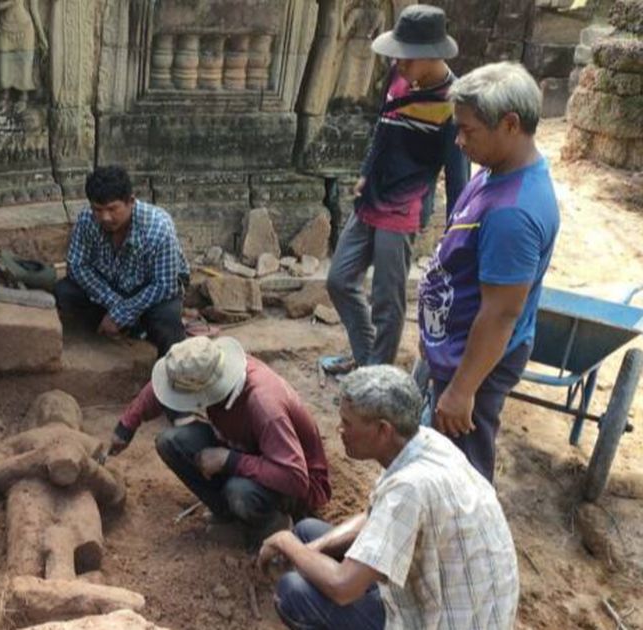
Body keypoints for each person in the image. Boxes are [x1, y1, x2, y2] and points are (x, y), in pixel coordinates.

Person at [260, 366, 519, 630]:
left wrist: (286, 542)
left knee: (293, 592)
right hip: (455, 598)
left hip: (445, 620)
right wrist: (308, 551)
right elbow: (375, 516)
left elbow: (342, 587)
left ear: (383, 429)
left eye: (348, 423)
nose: (339, 429)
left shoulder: (409, 488)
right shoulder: (424, 443)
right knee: (307, 533)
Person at [418, 61, 559, 481]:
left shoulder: (513, 214)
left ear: (510, 124)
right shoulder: (496, 172)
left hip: (473, 363)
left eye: (468, 130)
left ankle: (460, 544)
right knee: (434, 456)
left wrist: (462, 391)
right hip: (453, 349)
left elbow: (500, 314)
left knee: (459, 474)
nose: (458, 141)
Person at [322, 4, 470, 375]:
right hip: (370, 199)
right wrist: (365, 172)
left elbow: (457, 176)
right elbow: (382, 128)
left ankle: (377, 379)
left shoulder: (453, 106)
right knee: (339, 280)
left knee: (387, 302)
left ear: (432, 55)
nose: (399, 64)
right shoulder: (397, 78)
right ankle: (367, 356)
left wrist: (456, 234)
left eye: (407, 58)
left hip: (403, 210)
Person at [108, 336, 331, 548]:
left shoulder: (264, 404)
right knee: (171, 442)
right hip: (244, 449)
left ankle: (271, 528)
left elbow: (295, 478)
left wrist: (230, 461)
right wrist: (126, 426)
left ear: (207, 391)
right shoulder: (212, 364)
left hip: (294, 485)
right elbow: (169, 382)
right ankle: (230, 516)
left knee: (240, 491)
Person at [56, 165, 190, 358]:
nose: (105, 217)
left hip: (149, 290)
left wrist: (119, 314)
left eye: (112, 209)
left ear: (131, 202)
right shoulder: (87, 220)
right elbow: (77, 266)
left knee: (169, 325)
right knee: (65, 292)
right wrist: (116, 306)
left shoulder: (159, 226)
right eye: (97, 209)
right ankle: (134, 328)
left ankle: (166, 378)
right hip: (111, 287)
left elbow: (164, 285)